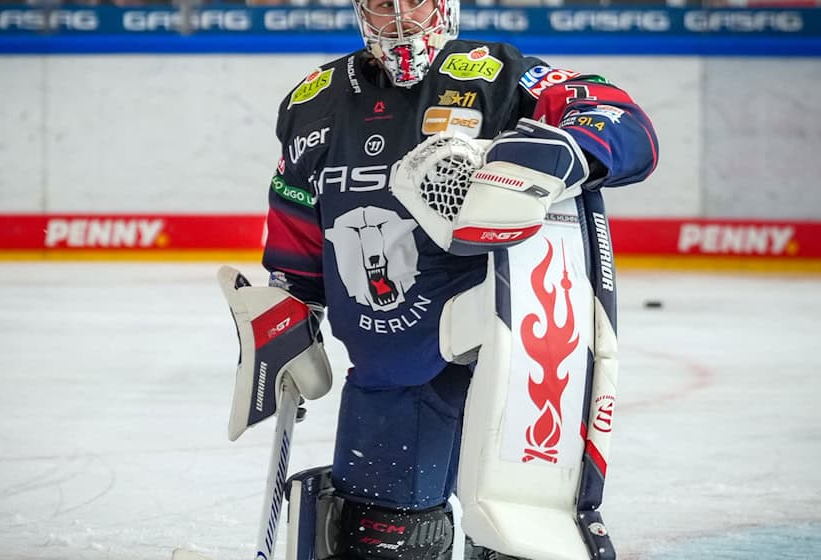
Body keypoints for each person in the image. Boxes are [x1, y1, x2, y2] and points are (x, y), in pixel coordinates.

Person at [251, 0, 659, 557]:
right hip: (390, 363)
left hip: (514, 359)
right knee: (381, 539)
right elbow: (296, 211)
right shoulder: (313, 100)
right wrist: (289, 310)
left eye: (413, 3)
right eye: (379, 4)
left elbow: (620, 117)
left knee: (521, 532)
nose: (397, 19)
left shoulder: (496, 73)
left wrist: (566, 146)